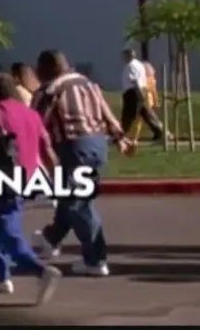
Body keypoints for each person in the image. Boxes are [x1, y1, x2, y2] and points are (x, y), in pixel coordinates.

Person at [31, 50, 134, 277]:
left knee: (78, 204)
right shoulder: (87, 83)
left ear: (47, 69)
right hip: (97, 145)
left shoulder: (50, 90)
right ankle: (51, 238)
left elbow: (34, 123)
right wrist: (119, 136)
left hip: (73, 147)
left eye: (38, 68)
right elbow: (105, 111)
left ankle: (95, 260)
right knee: (72, 197)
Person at [0, 73, 62, 304]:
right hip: (28, 176)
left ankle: (39, 269)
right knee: (1, 222)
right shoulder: (31, 113)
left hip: (4, 176)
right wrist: (55, 175)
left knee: (7, 228)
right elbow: (46, 146)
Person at [120, 48, 164, 142]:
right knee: (145, 113)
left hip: (133, 92)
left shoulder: (131, 66)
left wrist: (139, 93)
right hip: (139, 90)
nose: (123, 58)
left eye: (124, 55)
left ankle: (121, 134)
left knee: (128, 114)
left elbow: (135, 80)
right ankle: (158, 131)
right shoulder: (139, 64)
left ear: (128, 55)